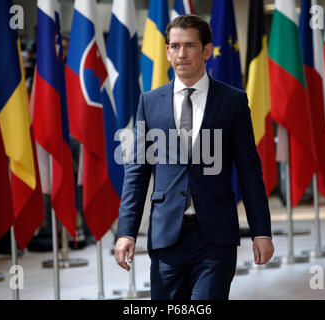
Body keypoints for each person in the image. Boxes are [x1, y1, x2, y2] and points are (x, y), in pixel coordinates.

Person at [114, 14, 274, 300]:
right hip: (166, 238)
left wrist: (261, 231)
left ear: (207, 50)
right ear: (166, 51)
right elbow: (137, 174)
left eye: (189, 45)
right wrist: (126, 231)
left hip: (215, 237)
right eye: (174, 46)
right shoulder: (149, 103)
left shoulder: (232, 101)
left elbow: (250, 172)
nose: (181, 53)